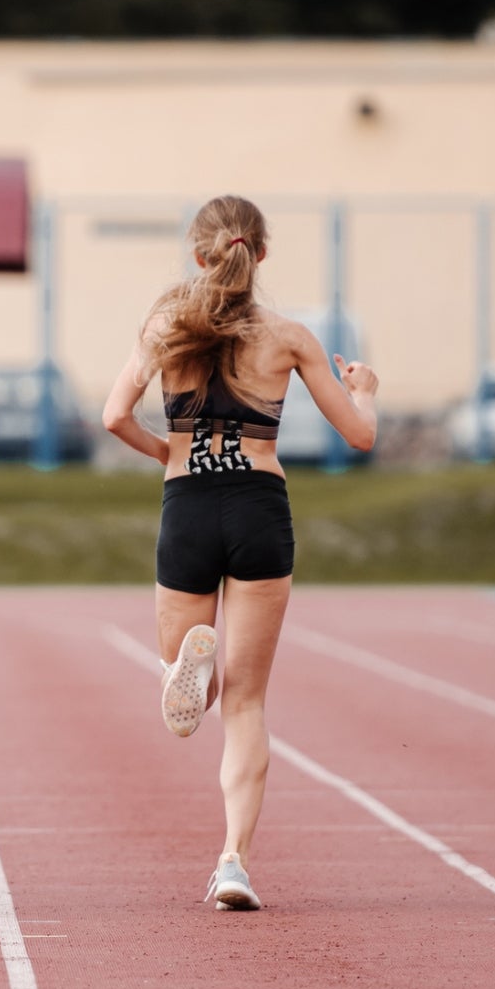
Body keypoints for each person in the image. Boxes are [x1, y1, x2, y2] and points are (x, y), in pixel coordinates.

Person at [101, 196, 378, 911]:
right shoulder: (289, 337)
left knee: (189, 677)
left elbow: (112, 415)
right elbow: (359, 436)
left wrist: (169, 451)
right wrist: (366, 393)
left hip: (188, 502)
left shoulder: (167, 326)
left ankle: (183, 668)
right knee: (247, 703)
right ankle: (233, 862)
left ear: (200, 256)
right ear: (261, 256)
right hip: (259, 505)